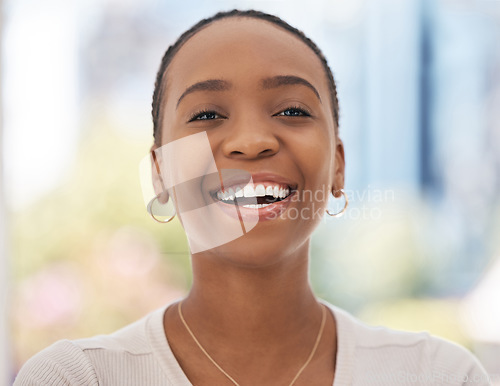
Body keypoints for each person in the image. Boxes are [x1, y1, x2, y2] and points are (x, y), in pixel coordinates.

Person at [14, 9, 491, 386]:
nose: (251, 140)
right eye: (205, 115)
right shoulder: (77, 378)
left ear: (338, 167)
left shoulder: (438, 375)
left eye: (290, 108)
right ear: (159, 175)